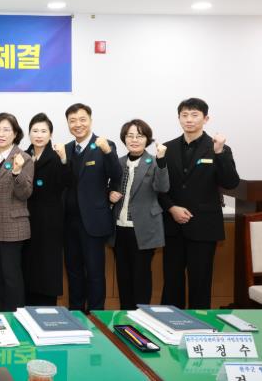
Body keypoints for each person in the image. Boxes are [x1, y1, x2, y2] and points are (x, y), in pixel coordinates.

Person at [159, 98, 239, 309]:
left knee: (200, 282)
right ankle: (170, 323)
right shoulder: (167, 148)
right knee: (172, 282)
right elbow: (159, 187)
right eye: (184, 115)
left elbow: (231, 182)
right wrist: (171, 208)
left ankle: (199, 324)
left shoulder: (218, 148)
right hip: (173, 226)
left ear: (206, 119)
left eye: (195, 115)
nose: (189, 120)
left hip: (204, 227)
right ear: (179, 118)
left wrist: (220, 153)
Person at [63, 103, 121, 312]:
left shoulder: (104, 145)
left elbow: (116, 175)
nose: (77, 124)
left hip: (93, 221)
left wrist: (108, 152)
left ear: (90, 120)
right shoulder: (66, 149)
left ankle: (96, 314)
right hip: (69, 222)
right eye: (72, 121)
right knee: (73, 271)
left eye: (82, 119)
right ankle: (76, 312)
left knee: (95, 272)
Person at [108, 119, 169, 310]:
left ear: (147, 139)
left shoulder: (154, 162)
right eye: (130, 136)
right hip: (119, 228)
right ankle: (125, 314)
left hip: (143, 229)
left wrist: (162, 161)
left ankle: (141, 316)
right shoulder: (118, 163)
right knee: (123, 276)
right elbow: (108, 187)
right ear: (124, 139)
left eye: (140, 136)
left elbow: (162, 187)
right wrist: (109, 194)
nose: (134, 140)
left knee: (141, 277)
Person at [0, 112, 33, 311]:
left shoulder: (24, 158)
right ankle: (4, 315)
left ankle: (17, 317)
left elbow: (25, 193)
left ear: (15, 133)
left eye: (6, 130)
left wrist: (17, 172)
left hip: (13, 226)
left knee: (12, 277)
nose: (1, 134)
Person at [23, 113, 69, 306]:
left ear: (50, 134)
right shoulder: (23, 156)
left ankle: (47, 308)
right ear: (29, 134)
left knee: (48, 266)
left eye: (43, 131)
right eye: (35, 131)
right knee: (28, 264)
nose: (39, 135)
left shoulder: (57, 156)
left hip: (50, 220)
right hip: (26, 219)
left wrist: (65, 160)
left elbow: (66, 183)